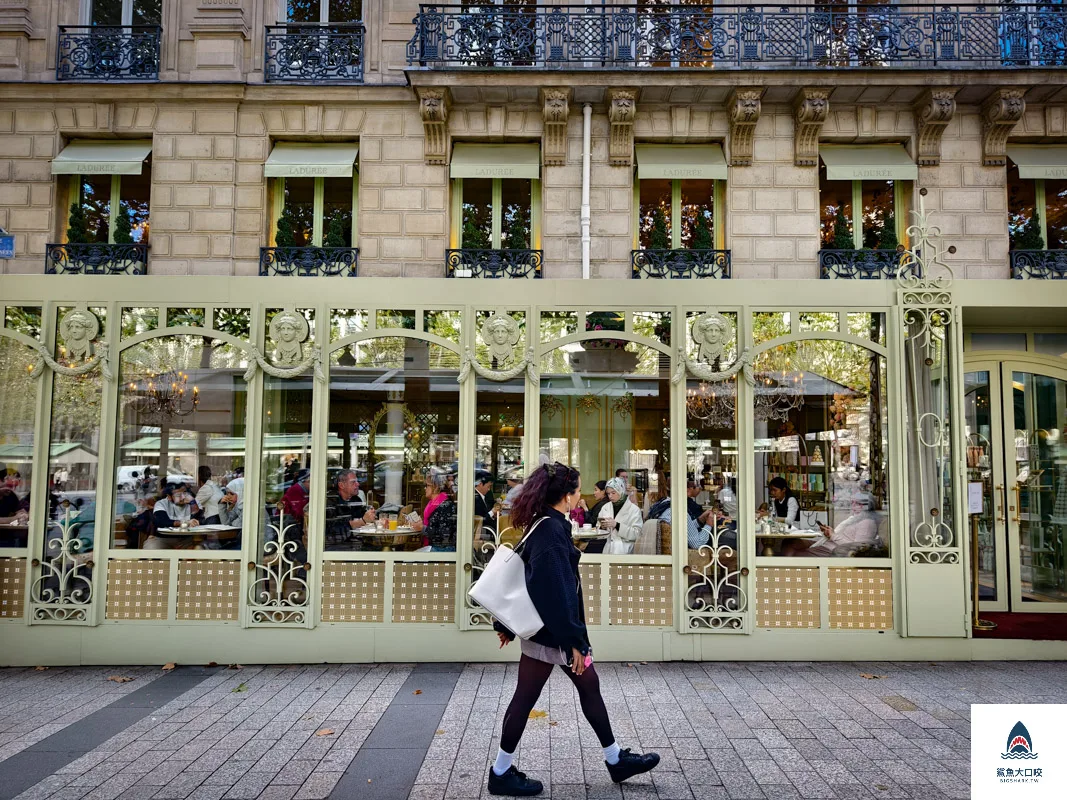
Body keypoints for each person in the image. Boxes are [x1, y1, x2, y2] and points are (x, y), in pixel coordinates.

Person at [489, 462, 660, 796]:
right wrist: (575, 643)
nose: (579, 495)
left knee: (583, 687)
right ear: (566, 497)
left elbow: (522, 577)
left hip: (546, 630)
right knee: (530, 697)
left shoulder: (543, 523)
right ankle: (501, 771)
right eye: (577, 490)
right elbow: (556, 591)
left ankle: (614, 759)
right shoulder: (552, 530)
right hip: (554, 633)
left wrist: (507, 624)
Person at [784, 493, 883, 557]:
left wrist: (833, 535)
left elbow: (857, 549)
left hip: (834, 551)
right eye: (852, 503)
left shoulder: (867, 523)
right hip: (829, 544)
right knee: (789, 543)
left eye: (856, 503)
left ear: (866, 506)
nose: (852, 506)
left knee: (795, 554)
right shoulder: (855, 518)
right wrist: (831, 532)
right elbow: (845, 536)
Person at [325, 469, 375, 549]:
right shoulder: (330, 502)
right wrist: (362, 521)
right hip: (334, 547)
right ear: (341, 485)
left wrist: (373, 518)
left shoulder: (356, 500)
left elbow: (364, 518)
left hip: (356, 542)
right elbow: (332, 530)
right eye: (353, 482)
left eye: (357, 481)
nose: (358, 484)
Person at [144, 483, 198, 550]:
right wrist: (183, 522)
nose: (183, 497)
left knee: (199, 551)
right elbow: (162, 521)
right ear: (169, 497)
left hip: (185, 539)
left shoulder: (191, 503)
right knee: (150, 549)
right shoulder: (161, 503)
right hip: (163, 539)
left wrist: (193, 503)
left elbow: (201, 519)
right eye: (178, 495)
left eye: (184, 493)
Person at [597, 477, 643, 555]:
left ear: (621, 491)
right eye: (608, 493)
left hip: (626, 550)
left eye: (613, 493)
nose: (610, 496)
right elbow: (598, 530)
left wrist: (617, 525)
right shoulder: (605, 507)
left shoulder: (634, 510)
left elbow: (637, 534)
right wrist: (602, 527)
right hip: (608, 549)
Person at [424, 483, 458, 552]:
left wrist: (423, 528)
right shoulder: (432, 504)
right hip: (435, 546)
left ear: (436, 487)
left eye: (427, 485)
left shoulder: (446, 506)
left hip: (443, 549)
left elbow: (444, 534)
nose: (425, 488)